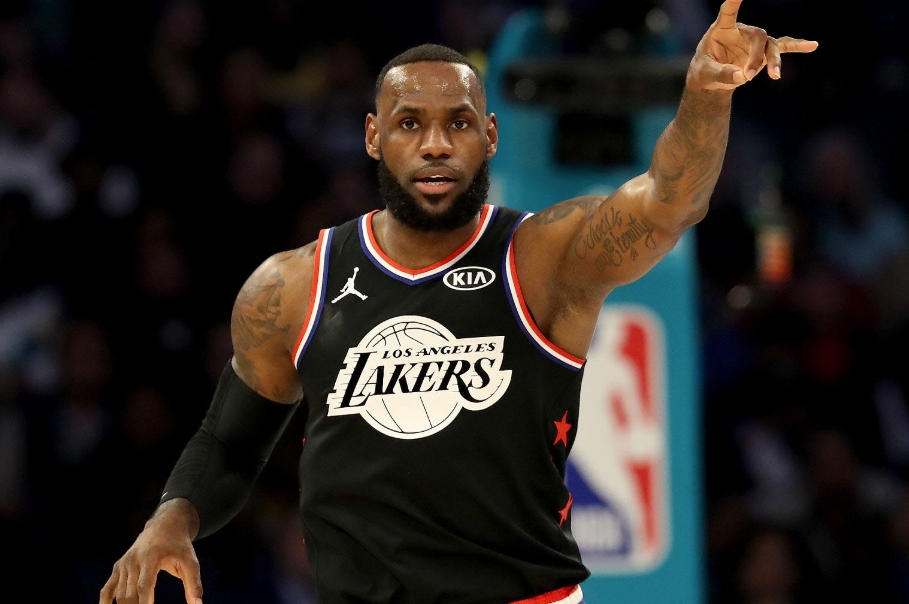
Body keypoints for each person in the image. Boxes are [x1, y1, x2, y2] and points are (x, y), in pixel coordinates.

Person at [99, 1, 817, 602]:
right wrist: (171, 521)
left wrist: (706, 93)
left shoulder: (541, 258)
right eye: (410, 122)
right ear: (373, 136)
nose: (436, 144)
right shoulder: (291, 286)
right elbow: (230, 440)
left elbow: (667, 202)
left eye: (459, 123)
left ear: (490, 135)